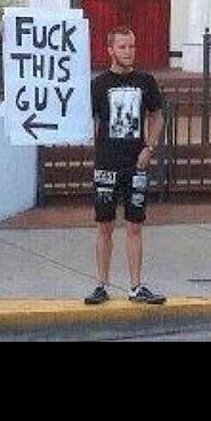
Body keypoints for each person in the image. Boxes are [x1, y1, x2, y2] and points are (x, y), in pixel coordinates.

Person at [84, 25, 167, 306]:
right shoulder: (98, 85)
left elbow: (157, 115)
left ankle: (135, 286)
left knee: (135, 225)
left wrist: (149, 147)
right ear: (110, 50)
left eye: (132, 46)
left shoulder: (145, 81)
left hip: (135, 164)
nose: (129, 52)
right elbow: (87, 118)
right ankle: (101, 285)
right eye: (122, 47)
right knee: (104, 225)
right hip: (107, 163)